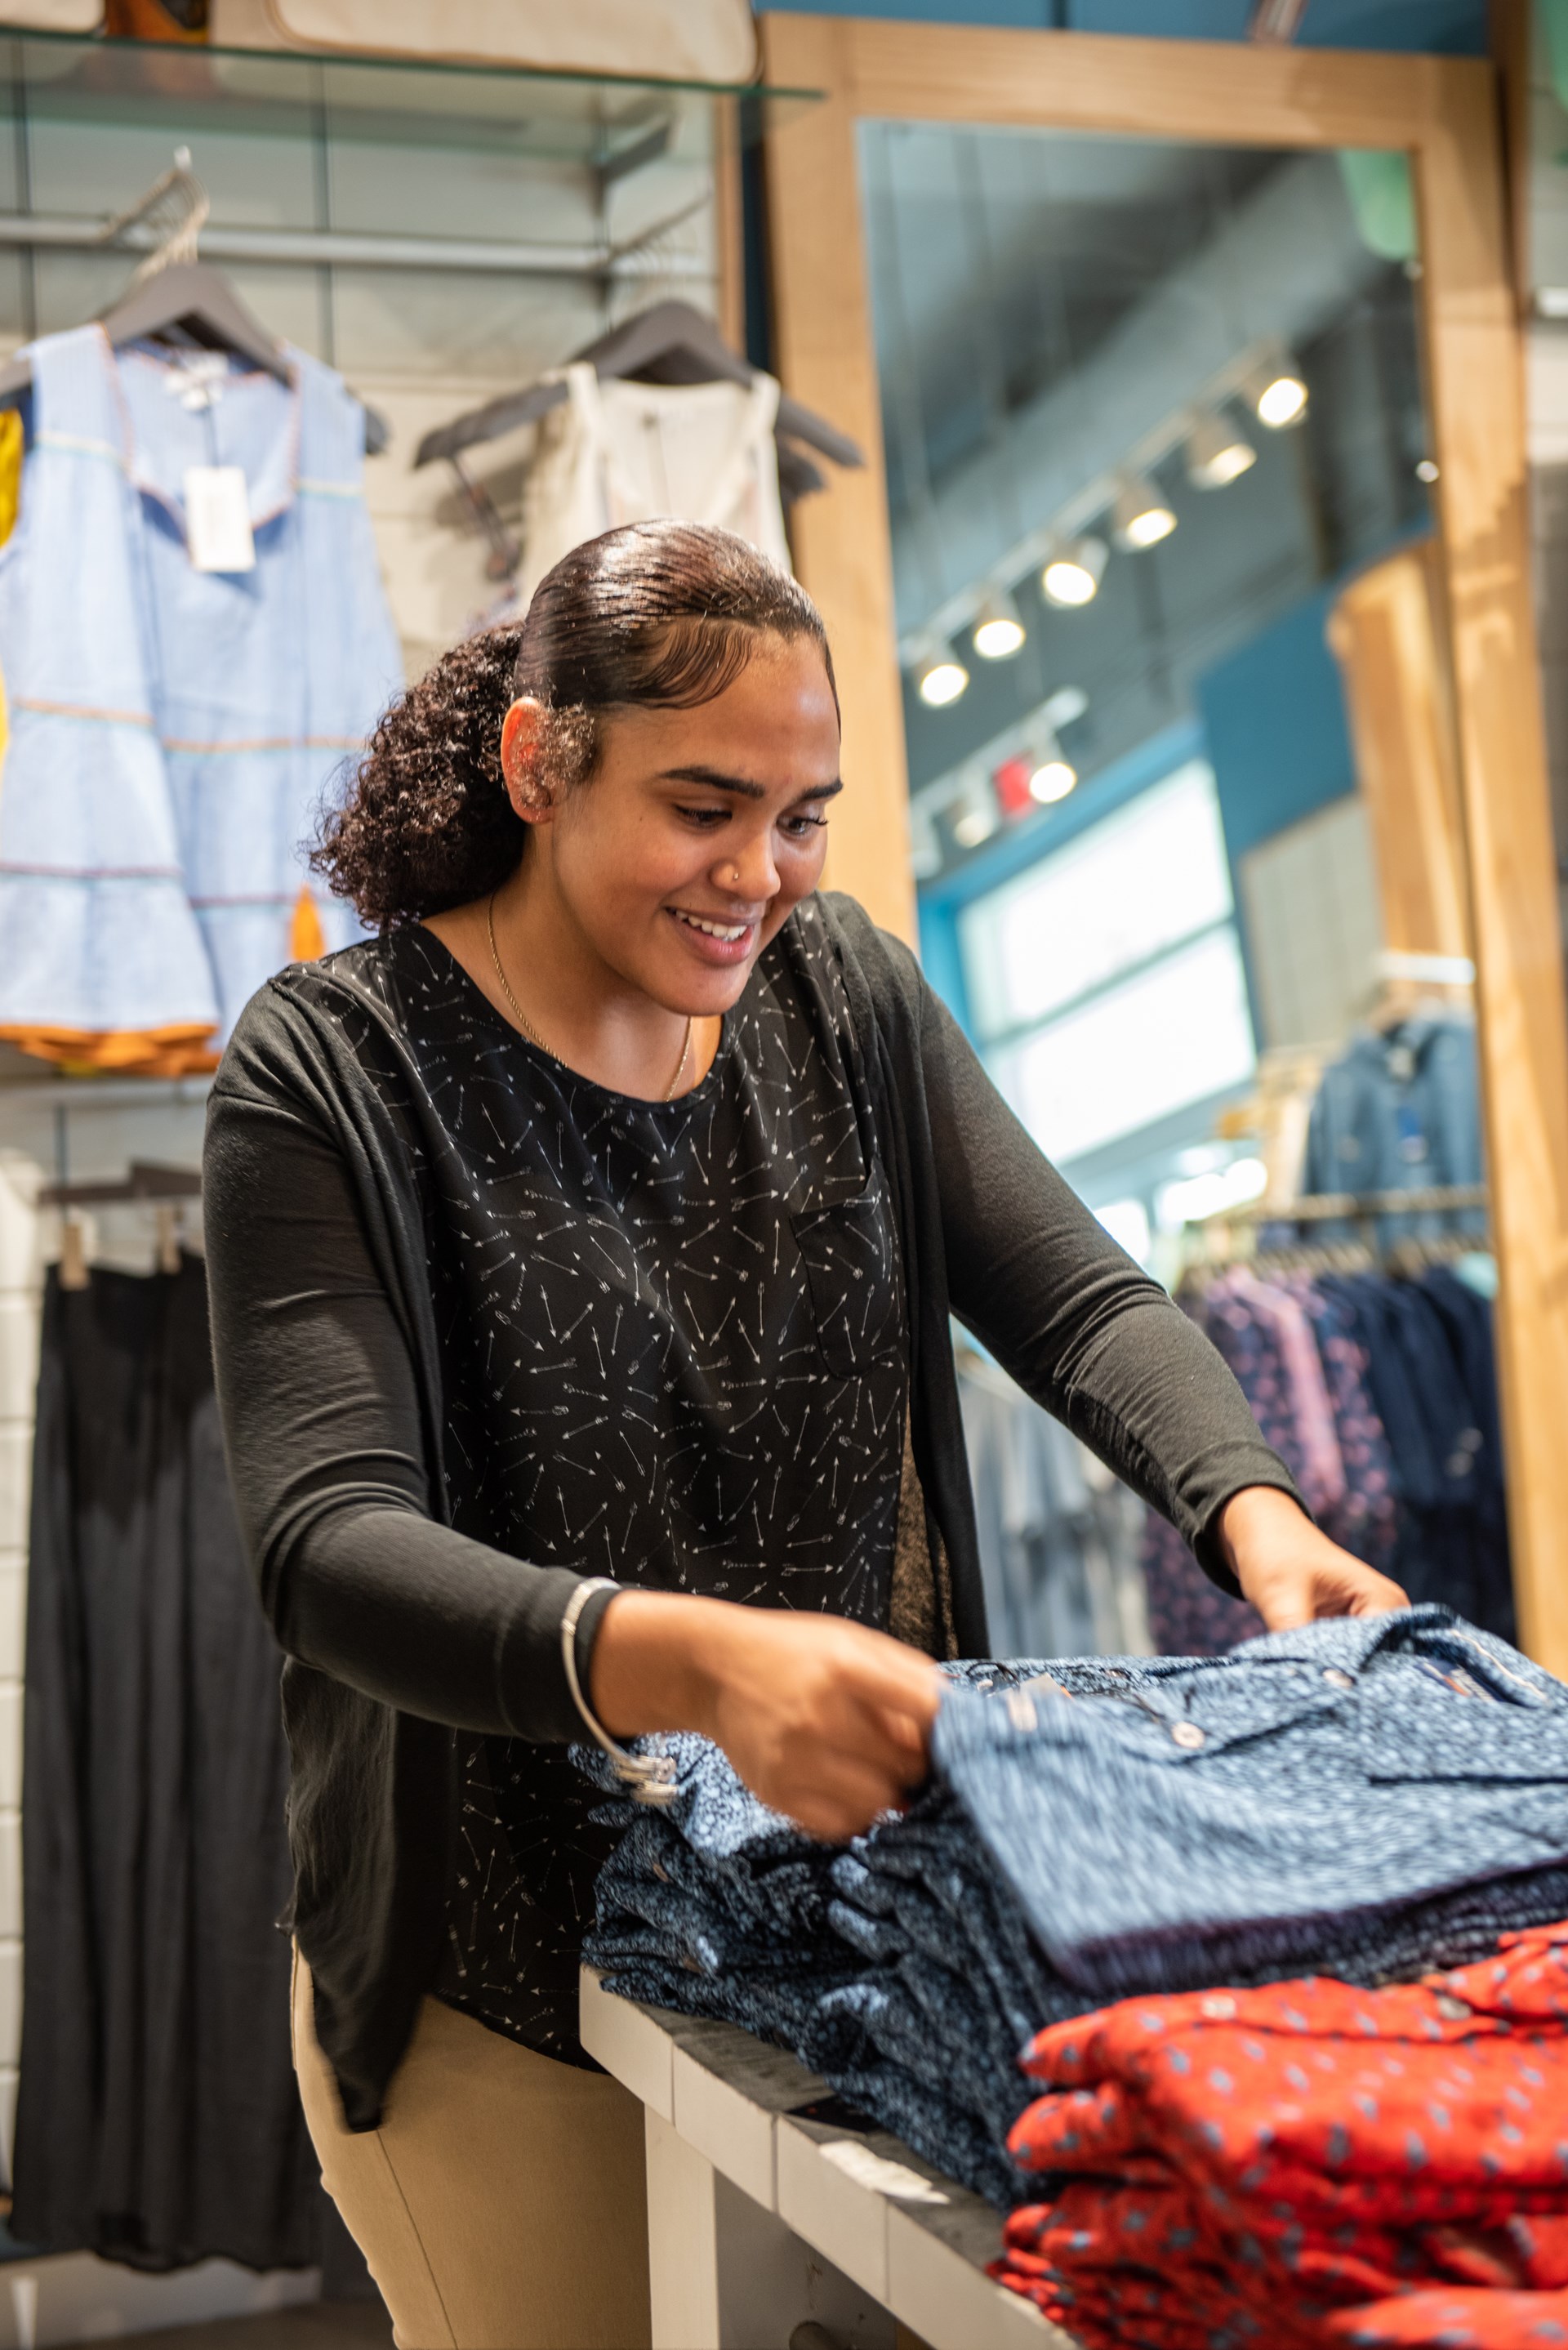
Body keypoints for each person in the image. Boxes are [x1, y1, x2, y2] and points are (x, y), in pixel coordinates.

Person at [203, 519, 1406, 2350]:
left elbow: (1081, 1301)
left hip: (855, 1937)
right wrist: (687, 1661)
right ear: (539, 760)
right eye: (704, 806)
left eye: (804, 813)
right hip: (505, 1966)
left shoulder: (843, 996)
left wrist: (1257, 1513)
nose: (758, 872)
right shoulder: (334, 1069)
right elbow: (327, 1544)